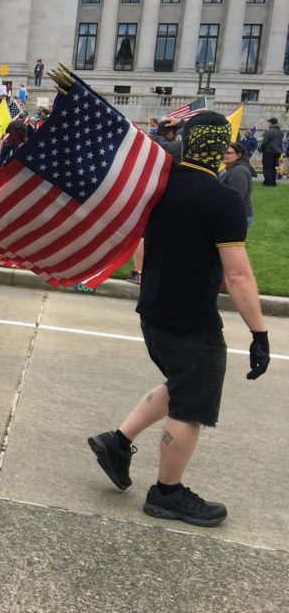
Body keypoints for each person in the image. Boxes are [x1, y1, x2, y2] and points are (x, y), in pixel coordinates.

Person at [87, 112, 269, 528]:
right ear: (222, 146)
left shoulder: (160, 188)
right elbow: (237, 274)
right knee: (192, 406)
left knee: (181, 386)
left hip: (153, 311)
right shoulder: (223, 200)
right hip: (192, 320)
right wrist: (258, 332)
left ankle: (116, 442)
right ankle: (167, 492)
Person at [219, 141, 255, 227]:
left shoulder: (239, 171)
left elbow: (236, 197)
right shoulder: (231, 168)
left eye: (228, 153)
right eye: (223, 152)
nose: (224, 155)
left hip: (236, 216)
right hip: (232, 214)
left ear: (239, 155)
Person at [259, 117, 281, 186]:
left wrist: (261, 149)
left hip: (269, 151)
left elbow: (263, 142)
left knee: (267, 167)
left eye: (269, 122)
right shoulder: (281, 132)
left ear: (271, 123)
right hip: (277, 152)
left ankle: (267, 182)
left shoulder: (268, 131)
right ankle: (273, 182)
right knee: (273, 167)